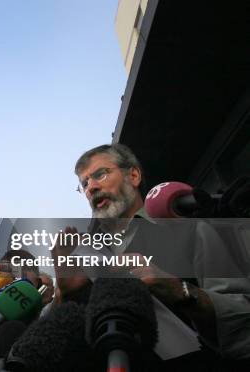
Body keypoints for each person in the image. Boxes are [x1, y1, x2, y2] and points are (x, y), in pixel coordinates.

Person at [60, 143, 250, 362]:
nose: (90, 187)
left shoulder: (187, 227)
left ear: (133, 175)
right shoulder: (89, 259)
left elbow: (242, 317)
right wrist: (66, 296)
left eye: (100, 174)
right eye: (84, 183)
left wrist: (181, 292)